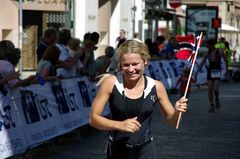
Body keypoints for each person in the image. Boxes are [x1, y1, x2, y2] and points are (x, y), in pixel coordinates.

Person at [89, 39, 188, 159]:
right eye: (126, 65)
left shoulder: (156, 86)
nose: (131, 69)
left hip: (145, 152)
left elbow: (174, 122)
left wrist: (177, 111)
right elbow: (93, 119)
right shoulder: (110, 83)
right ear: (120, 64)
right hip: (118, 151)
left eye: (135, 64)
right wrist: (120, 125)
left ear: (145, 61)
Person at [195, 39, 228, 113]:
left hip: (216, 71)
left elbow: (226, 61)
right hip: (210, 71)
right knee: (210, 89)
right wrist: (197, 72)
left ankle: (216, 98)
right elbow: (202, 62)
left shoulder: (219, 51)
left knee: (215, 89)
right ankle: (211, 104)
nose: (207, 47)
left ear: (212, 45)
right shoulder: (207, 53)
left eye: (208, 45)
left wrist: (226, 71)